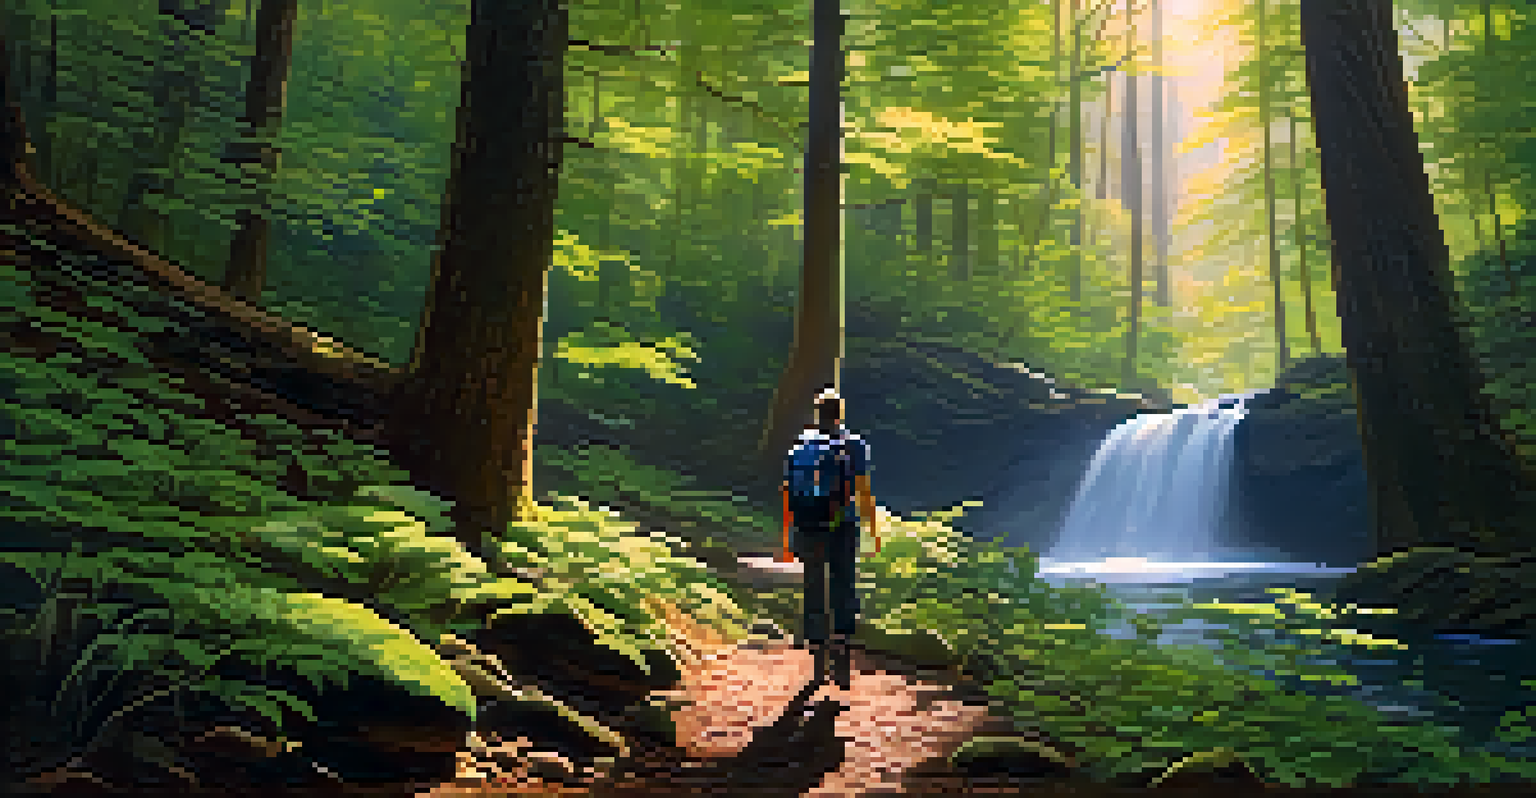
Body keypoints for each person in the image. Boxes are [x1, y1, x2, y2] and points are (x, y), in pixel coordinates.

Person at [781, 386, 879, 690]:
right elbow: (863, 490)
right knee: (843, 583)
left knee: (813, 584)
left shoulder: (801, 446)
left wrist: (786, 534)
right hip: (843, 525)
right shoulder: (855, 446)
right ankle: (842, 649)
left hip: (808, 525)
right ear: (841, 414)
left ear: (817, 414)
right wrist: (873, 529)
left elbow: (788, 492)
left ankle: (817, 656)